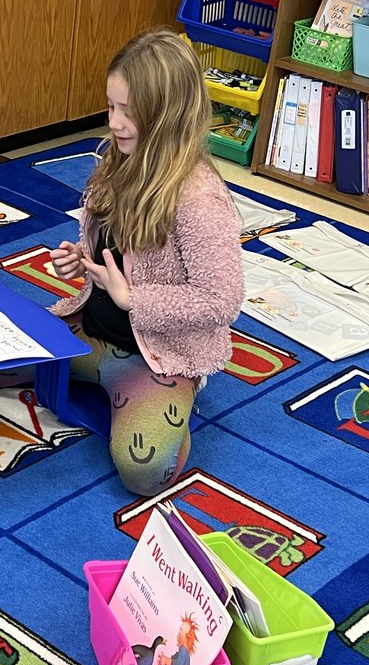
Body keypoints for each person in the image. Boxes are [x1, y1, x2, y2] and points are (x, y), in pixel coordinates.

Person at [49, 28, 244, 496]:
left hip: (156, 357)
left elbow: (222, 300)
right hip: (91, 332)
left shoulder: (199, 198)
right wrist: (82, 262)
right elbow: (116, 254)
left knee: (143, 472)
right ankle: (99, 378)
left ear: (168, 117)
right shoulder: (117, 160)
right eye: (111, 107)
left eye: (129, 113)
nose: (114, 123)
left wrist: (133, 298)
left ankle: (178, 396)